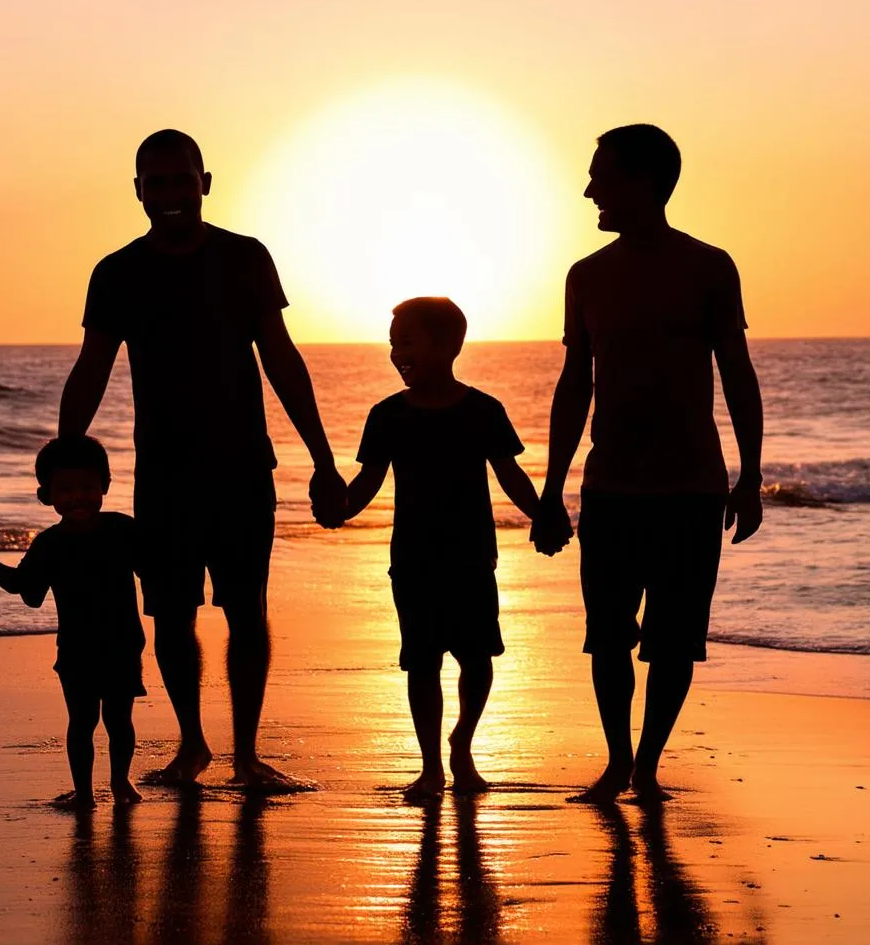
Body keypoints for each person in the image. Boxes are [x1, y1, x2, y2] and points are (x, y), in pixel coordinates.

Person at [58, 129, 347, 790]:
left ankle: (246, 756)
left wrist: (325, 461)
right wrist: (65, 466)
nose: (168, 194)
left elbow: (282, 360)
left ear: (204, 182)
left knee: (246, 611)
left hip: (243, 468)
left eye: (180, 180)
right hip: (163, 474)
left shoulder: (244, 259)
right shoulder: (118, 273)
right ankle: (192, 746)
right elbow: (91, 370)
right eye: (153, 183)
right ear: (137, 191)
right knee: (171, 615)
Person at [532, 124, 764, 803]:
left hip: (691, 488)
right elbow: (577, 383)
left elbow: (738, 374)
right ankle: (616, 760)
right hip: (610, 489)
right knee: (607, 637)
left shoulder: (709, 266)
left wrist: (751, 476)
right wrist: (552, 491)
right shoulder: (587, 276)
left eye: (600, 174)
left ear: (644, 181)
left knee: (673, 640)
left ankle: (648, 766)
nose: (588, 188)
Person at [345, 298, 540, 800]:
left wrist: (544, 516)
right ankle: (430, 765)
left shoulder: (482, 410)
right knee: (421, 660)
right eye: (391, 344)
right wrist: (337, 508)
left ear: (449, 346)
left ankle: (462, 743)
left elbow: (510, 473)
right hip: (412, 559)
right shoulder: (386, 415)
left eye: (406, 342)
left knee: (477, 659)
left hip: (473, 556)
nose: (396, 354)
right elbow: (367, 481)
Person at [0, 436, 145, 809]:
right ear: (46, 495)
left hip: (121, 644)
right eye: (66, 489)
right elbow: (25, 590)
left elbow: (156, 568)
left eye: (87, 487)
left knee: (117, 719)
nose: (78, 496)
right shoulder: (51, 543)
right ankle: (86, 792)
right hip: (81, 649)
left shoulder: (124, 531)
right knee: (83, 722)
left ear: (105, 486)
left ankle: (118, 781)